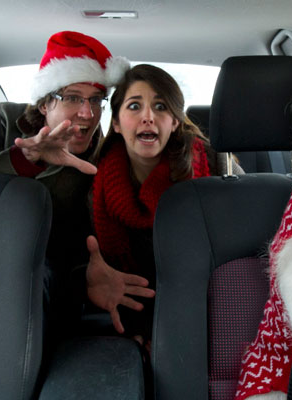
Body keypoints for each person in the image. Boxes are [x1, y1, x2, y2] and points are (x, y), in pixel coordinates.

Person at [0, 31, 129, 340]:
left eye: (97, 100)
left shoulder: (111, 152)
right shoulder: (1, 123)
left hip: (58, 279)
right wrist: (27, 158)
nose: (88, 113)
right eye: (73, 98)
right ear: (45, 103)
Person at [85, 64, 243, 348]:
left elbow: (238, 261)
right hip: (129, 322)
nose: (148, 117)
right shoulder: (95, 183)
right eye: (134, 106)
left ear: (175, 121)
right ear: (117, 123)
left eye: (160, 106)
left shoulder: (218, 169)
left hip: (208, 316)